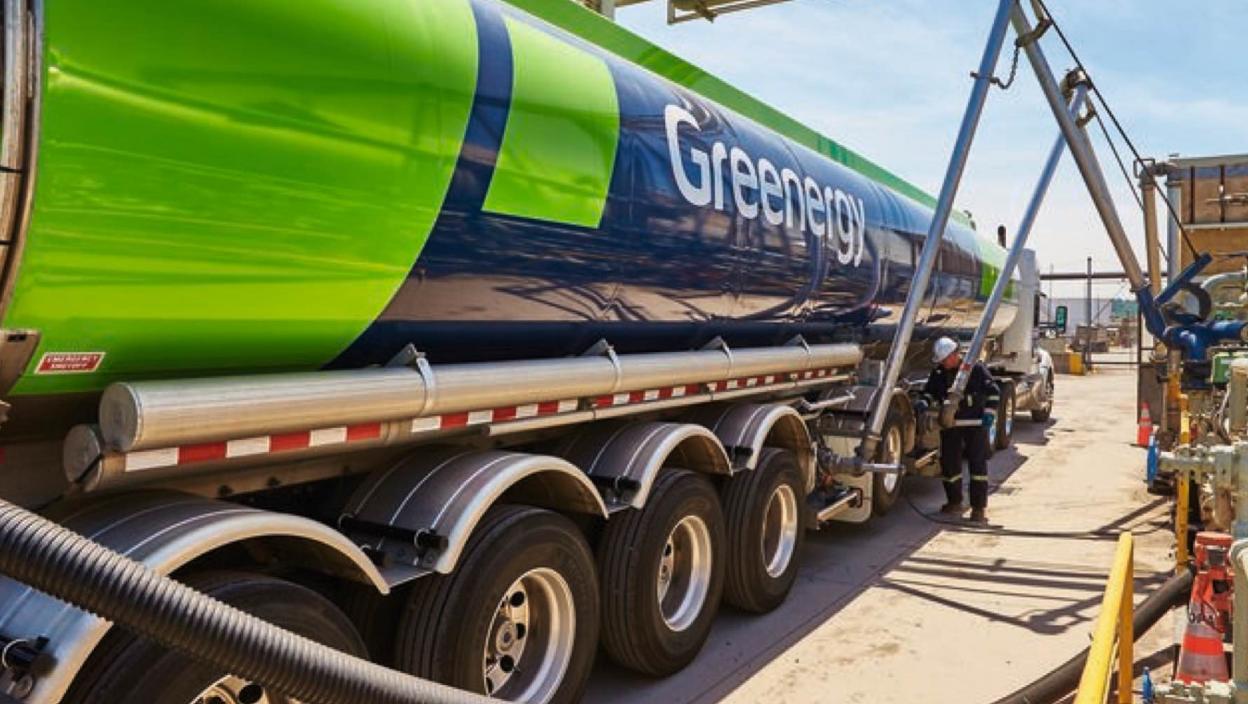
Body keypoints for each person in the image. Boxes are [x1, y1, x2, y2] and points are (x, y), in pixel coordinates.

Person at [924, 336, 1000, 524]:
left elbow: (994, 392)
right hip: (951, 425)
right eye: (940, 361)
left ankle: (978, 508)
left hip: (974, 425)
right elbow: (929, 391)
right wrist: (922, 402)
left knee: (977, 466)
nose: (942, 363)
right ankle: (954, 502)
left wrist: (989, 414)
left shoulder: (975, 369)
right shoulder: (940, 373)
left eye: (945, 359)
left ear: (954, 355)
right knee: (949, 464)